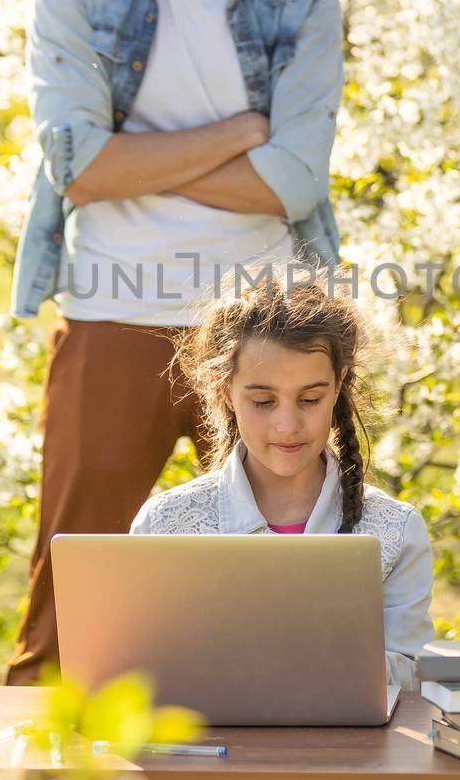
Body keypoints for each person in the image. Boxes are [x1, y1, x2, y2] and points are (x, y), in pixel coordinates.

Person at [4, 0, 344, 686]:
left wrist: (142, 156)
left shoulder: (303, 1)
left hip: (260, 329)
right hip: (112, 311)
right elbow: (81, 171)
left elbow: (296, 181)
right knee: (70, 592)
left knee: (278, 594)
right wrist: (236, 136)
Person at [130, 280, 435, 691]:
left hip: (353, 754)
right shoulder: (164, 524)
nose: (287, 425)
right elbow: (138, 673)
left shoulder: (395, 529)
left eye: (309, 399)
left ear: (340, 386)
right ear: (225, 392)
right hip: (206, 752)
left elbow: (413, 673)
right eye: (263, 402)